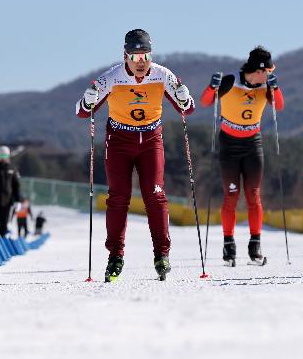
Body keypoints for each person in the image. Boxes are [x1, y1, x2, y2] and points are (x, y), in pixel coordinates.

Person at [76, 29, 194, 282]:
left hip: (151, 140)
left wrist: (185, 98)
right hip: (119, 141)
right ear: (125, 56)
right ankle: (115, 257)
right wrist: (87, 100)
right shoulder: (112, 77)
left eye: (146, 56)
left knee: (156, 195)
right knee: (118, 197)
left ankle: (162, 254)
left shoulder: (162, 75)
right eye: (135, 57)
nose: (141, 62)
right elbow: (83, 112)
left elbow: (187, 108)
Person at [200, 46, 284, 267]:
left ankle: (255, 245)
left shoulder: (267, 86)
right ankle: (228, 245)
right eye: (268, 72)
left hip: (253, 144)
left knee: (253, 196)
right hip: (229, 145)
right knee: (231, 196)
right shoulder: (231, 81)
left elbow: (279, 106)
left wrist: (276, 88)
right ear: (258, 70)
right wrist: (212, 86)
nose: (270, 75)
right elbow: (206, 101)